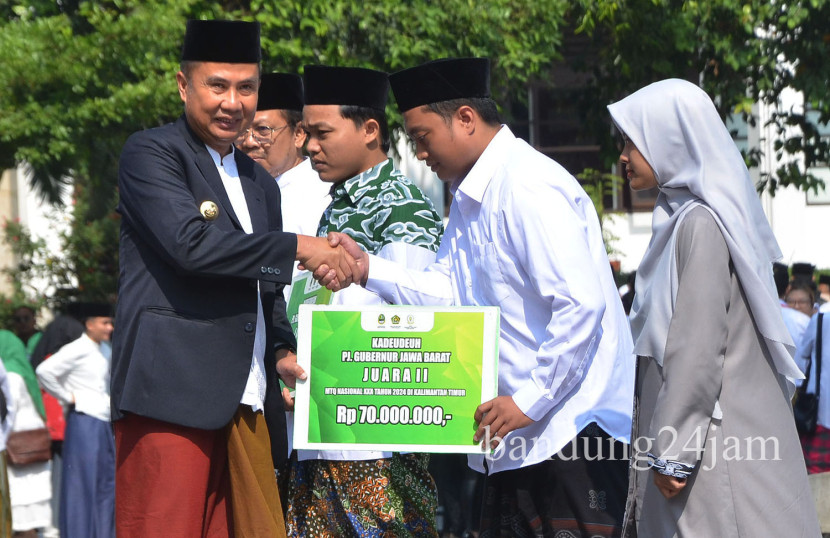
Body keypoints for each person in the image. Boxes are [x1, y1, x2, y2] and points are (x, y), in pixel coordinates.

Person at [325, 57, 635, 537]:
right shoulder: (470, 200)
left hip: (569, 436)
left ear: (465, 119)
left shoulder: (528, 185)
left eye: (422, 138)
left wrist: (528, 401)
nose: (420, 154)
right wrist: (369, 270)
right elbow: (450, 293)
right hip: (513, 437)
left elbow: (581, 305)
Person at [111, 19, 357, 538]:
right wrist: (299, 246)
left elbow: (263, 288)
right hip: (171, 398)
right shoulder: (151, 154)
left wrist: (282, 350)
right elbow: (190, 246)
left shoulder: (259, 182)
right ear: (184, 86)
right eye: (216, 85)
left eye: (246, 88)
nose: (232, 101)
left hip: (247, 403)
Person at [608, 78, 819, 536]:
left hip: (712, 455)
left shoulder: (700, 224)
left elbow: (696, 350)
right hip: (701, 449)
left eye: (631, 141)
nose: (623, 156)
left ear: (670, 138)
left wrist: (673, 455)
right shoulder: (680, 220)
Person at [284, 64, 443, 537]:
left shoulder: (401, 208)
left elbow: (418, 324)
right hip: (322, 432)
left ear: (370, 129)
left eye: (322, 133)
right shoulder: (335, 204)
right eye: (306, 133)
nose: (310, 146)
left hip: (377, 448)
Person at [235, 72, 332, 304]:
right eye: (242, 131)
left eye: (263, 130)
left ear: (299, 135)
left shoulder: (322, 194)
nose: (249, 141)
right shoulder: (234, 188)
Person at [36, 304, 115, 538]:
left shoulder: (105, 349)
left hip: (103, 419)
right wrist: (69, 397)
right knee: (83, 482)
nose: (109, 327)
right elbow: (44, 371)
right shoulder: (78, 348)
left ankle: (102, 532)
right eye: (104, 322)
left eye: (110, 323)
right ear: (89, 324)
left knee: (105, 481)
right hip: (84, 420)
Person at [0, 330, 51, 538]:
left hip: (15, 447)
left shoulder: (10, 375)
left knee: (20, 514)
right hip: (32, 443)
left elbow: (8, 409)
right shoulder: (22, 371)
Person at [796, 300, 830, 473]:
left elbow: (803, 353)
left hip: (821, 414)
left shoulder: (821, 319)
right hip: (821, 416)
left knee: (816, 478)